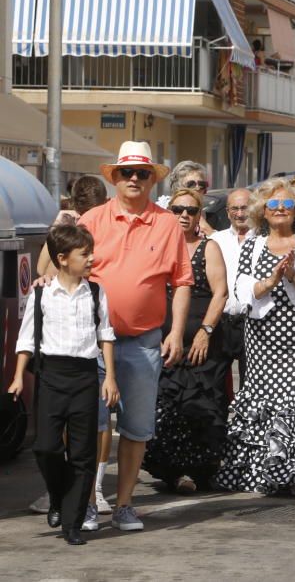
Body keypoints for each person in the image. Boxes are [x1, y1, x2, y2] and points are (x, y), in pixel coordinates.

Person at [76, 141, 192, 532]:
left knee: (136, 428)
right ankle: (89, 502)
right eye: (127, 172)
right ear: (115, 178)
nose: (134, 179)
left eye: (142, 173)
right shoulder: (91, 220)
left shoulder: (166, 223)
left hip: (144, 340)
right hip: (91, 340)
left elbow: (182, 281)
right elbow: (63, 264)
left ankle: (125, 504)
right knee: (90, 425)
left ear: (150, 179)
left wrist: (176, 331)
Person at [215, 179, 295, 494]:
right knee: (265, 401)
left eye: (286, 204)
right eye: (273, 204)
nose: (280, 209)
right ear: (263, 211)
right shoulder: (253, 244)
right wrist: (271, 280)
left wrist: (293, 275)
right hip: (262, 340)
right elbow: (242, 290)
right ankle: (265, 474)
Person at [10, 225, 118, 545]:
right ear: (62, 259)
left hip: (85, 375)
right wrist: (18, 376)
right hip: (51, 376)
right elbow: (26, 338)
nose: (91, 259)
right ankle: (58, 495)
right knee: (46, 447)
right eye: (84, 254)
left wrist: (110, 376)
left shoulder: (96, 292)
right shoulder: (41, 293)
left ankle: (72, 524)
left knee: (83, 453)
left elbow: (106, 335)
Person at [142, 189, 229, 494]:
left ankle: (200, 469)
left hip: (202, 342)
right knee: (167, 407)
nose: (184, 215)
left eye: (191, 211)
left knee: (203, 407)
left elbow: (220, 293)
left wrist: (206, 330)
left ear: (198, 216)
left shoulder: (209, 248)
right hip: (165, 341)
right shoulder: (158, 246)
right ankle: (174, 471)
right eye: (178, 209)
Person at [209, 189, 254, 385]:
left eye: (244, 208)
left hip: (252, 323)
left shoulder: (264, 240)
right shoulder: (216, 240)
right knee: (215, 383)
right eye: (234, 208)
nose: (240, 213)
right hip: (221, 322)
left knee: (251, 384)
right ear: (227, 212)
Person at [160, 161, 214, 237]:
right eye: (191, 184)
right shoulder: (163, 213)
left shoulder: (214, 217)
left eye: (202, 185)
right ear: (177, 188)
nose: (197, 188)